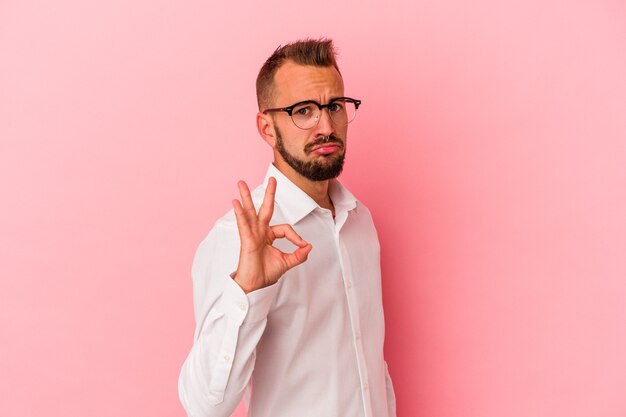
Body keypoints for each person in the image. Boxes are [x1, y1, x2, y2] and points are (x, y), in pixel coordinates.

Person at [179, 38, 396, 417]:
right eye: (304, 111)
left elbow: (371, 368)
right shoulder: (236, 238)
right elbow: (204, 406)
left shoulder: (360, 222)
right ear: (267, 127)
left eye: (335, 107)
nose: (325, 126)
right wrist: (247, 289)